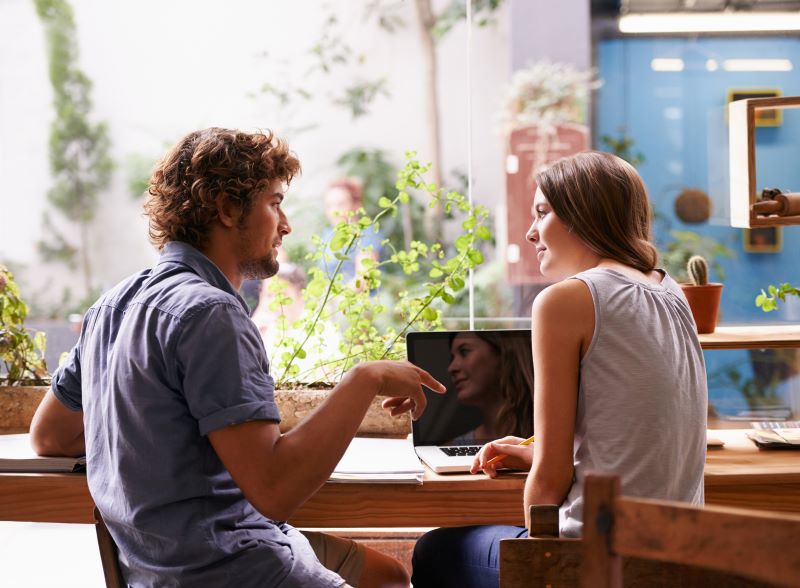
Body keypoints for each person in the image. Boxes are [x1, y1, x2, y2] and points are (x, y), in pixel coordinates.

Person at [28, 127, 446, 588]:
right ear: (227, 208)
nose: (285, 224)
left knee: (387, 574)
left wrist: (152, 443)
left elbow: (49, 435)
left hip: (155, 569)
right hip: (231, 569)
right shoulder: (212, 313)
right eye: (274, 202)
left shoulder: (112, 305)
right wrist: (364, 379)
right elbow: (275, 491)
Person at [411, 151, 707, 588]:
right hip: (676, 561)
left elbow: (550, 481)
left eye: (542, 213)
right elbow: (645, 430)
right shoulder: (671, 292)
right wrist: (546, 453)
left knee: (434, 551)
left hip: (597, 566)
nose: (531, 232)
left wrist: (539, 557)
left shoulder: (567, 300)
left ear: (584, 216)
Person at [447, 331, 533, 443]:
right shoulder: (453, 447)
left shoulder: (551, 435)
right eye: (452, 357)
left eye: (464, 352)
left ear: (502, 352)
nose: (451, 368)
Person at [321, 178, 382, 285]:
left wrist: (336, 299)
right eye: (329, 205)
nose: (333, 211)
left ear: (356, 205)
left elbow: (363, 280)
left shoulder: (366, 235)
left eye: (340, 204)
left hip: (359, 299)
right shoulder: (328, 234)